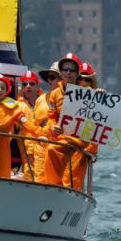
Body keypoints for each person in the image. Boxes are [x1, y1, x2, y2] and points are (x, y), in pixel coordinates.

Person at [42, 53, 86, 187]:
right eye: (65, 69)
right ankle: (53, 186)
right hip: (62, 138)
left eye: (72, 70)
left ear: (78, 73)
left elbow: (97, 122)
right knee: (51, 150)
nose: (68, 73)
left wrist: (100, 95)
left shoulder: (87, 92)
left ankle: (67, 191)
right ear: (60, 73)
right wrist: (52, 127)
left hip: (80, 141)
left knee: (73, 177)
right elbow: (51, 117)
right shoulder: (54, 95)